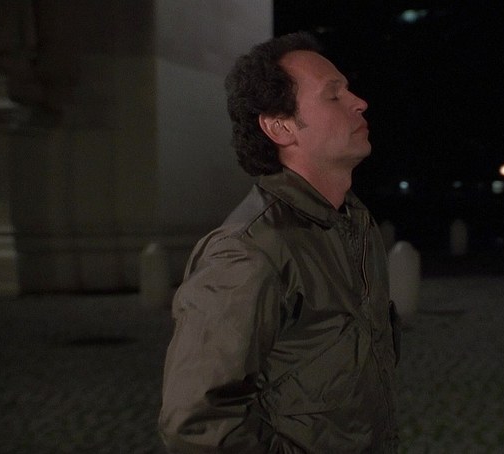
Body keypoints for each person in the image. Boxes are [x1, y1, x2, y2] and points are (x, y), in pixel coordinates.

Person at [158, 31, 400, 453]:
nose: (359, 102)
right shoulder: (247, 251)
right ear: (280, 127)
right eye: (334, 95)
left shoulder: (354, 223)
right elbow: (197, 424)